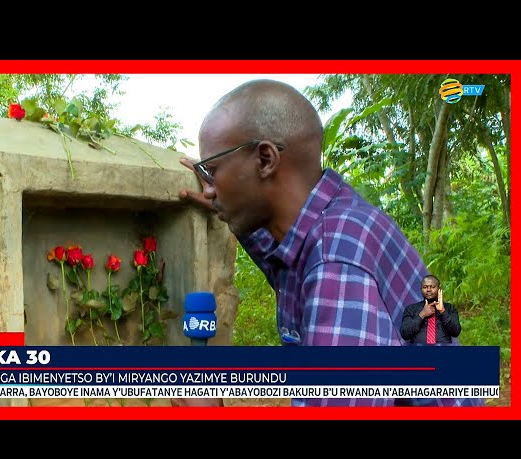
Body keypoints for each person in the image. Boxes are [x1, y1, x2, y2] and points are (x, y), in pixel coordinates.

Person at [174, 79, 482, 407]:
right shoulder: (332, 219)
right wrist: (228, 202)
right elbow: (283, 255)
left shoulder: (335, 260)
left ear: (265, 160)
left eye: (213, 170)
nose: (208, 188)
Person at [401, 275, 461, 344]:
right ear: (421, 289)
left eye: (432, 287)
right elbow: (404, 334)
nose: (428, 290)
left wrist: (442, 311)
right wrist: (422, 314)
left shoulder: (450, 308)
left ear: (439, 289)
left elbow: (456, 332)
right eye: (425, 287)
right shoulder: (411, 309)